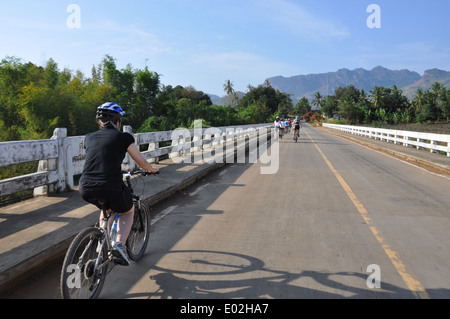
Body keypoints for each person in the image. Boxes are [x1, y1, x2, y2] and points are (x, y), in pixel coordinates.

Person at [79, 102, 159, 266]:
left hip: (85, 186)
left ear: (100, 122)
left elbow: (99, 156)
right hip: (110, 185)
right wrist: (151, 169)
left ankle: (102, 241)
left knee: (106, 209)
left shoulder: (89, 137)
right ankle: (118, 245)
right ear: (117, 122)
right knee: (128, 211)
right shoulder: (124, 137)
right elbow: (141, 162)